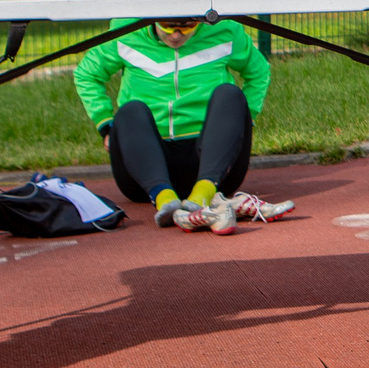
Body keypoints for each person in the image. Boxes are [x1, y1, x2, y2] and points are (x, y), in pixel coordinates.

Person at [75, 14, 272, 233]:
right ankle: (163, 197)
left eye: (188, 27)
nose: (177, 36)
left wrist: (245, 119)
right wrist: (105, 125)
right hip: (144, 170)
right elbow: (86, 74)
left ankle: (203, 193)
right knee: (130, 110)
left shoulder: (226, 30)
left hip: (216, 168)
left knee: (230, 95)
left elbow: (259, 70)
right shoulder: (124, 32)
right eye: (168, 26)